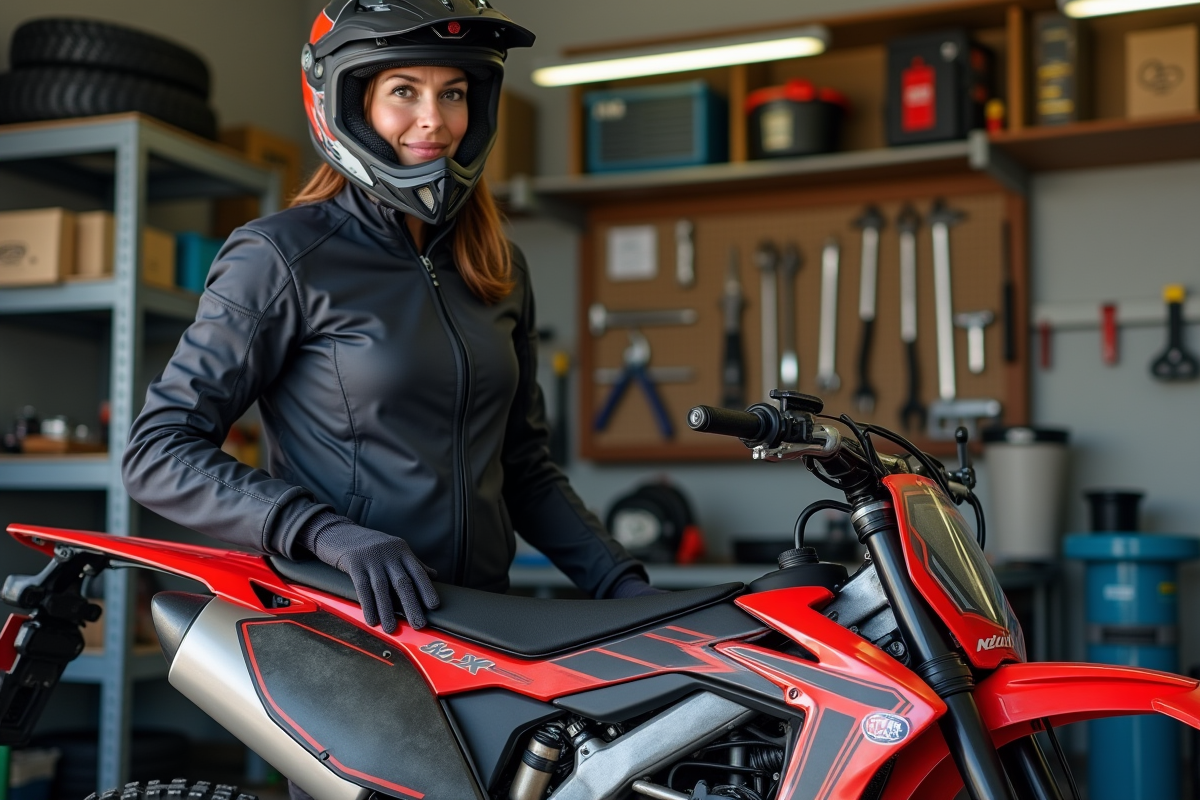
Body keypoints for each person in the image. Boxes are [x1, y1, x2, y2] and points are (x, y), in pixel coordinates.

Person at [121, 0, 660, 639]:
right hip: (344, 620)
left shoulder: (500, 266)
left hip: (484, 628)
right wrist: (325, 534)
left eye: (454, 93)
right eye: (404, 90)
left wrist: (629, 591)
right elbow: (158, 451)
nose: (434, 121)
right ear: (350, 106)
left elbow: (524, 468)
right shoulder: (282, 255)